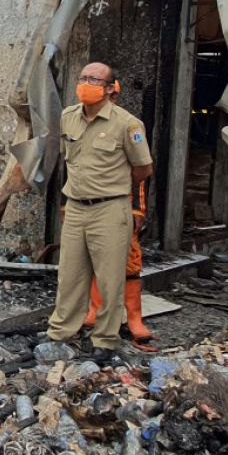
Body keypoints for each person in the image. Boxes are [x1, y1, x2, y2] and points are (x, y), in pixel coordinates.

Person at [46, 63, 153, 363]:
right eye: (82, 78)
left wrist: (115, 188)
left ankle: (105, 340)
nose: (85, 83)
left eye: (94, 79)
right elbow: (70, 164)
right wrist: (69, 201)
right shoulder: (68, 117)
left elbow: (144, 169)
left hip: (110, 209)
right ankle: (60, 333)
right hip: (77, 207)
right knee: (69, 275)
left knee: (109, 278)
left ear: (110, 88)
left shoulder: (127, 124)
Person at [84, 81, 156, 349]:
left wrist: (138, 209)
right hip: (89, 201)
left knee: (129, 259)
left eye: (110, 94)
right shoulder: (80, 124)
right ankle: (95, 312)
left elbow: (141, 169)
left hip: (119, 201)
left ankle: (134, 318)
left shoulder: (129, 126)